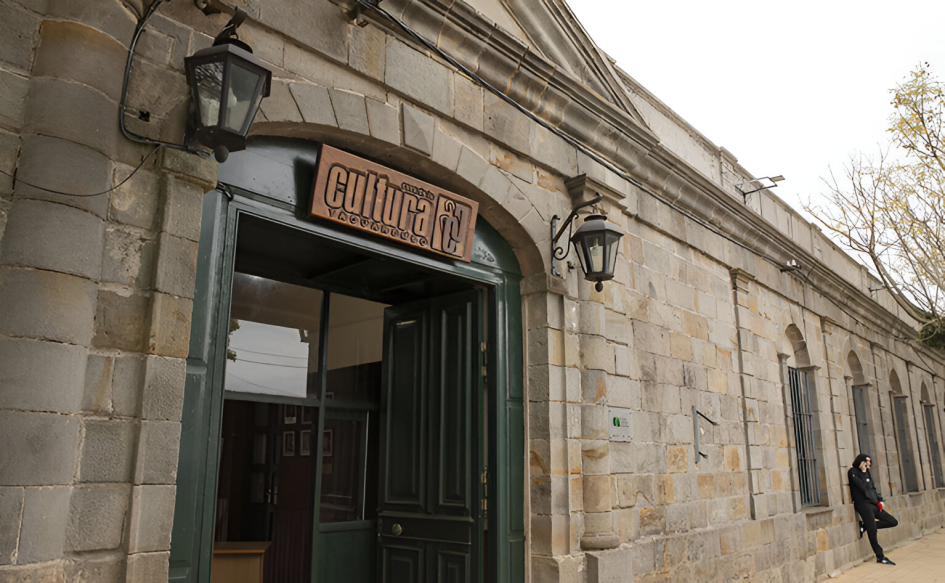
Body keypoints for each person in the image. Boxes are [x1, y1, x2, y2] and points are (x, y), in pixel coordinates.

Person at [848, 453, 899, 565]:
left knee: (893, 521)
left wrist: (879, 500)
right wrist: (863, 472)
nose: (869, 463)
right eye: (867, 461)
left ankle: (865, 526)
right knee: (873, 531)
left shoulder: (867, 473)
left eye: (870, 461)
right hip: (863, 504)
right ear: (861, 461)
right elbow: (862, 487)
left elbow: (872, 488)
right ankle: (880, 556)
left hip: (873, 504)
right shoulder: (853, 472)